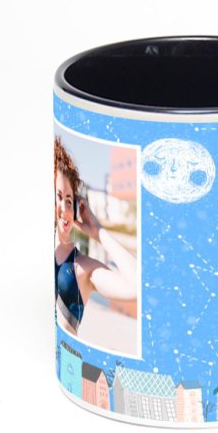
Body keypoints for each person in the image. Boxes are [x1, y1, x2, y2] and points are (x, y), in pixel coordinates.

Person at [54, 136, 137, 335]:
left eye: (69, 200)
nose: (64, 208)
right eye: (58, 196)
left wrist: (98, 232)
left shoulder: (82, 268)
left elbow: (138, 287)